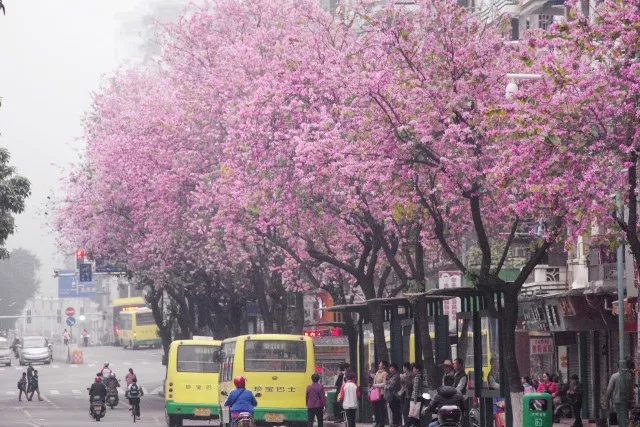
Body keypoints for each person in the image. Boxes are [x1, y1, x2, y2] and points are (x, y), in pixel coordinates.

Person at [372, 361, 389, 427]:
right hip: (375, 393)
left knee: (381, 409)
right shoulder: (377, 373)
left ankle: (381, 423)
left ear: (384, 366)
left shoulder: (385, 373)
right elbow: (374, 381)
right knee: (375, 409)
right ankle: (377, 422)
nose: (379, 365)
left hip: (381, 393)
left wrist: (376, 385)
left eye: (380, 364)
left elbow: (385, 383)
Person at [386, 363, 403, 427]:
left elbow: (391, 385)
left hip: (395, 395)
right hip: (391, 396)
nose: (391, 369)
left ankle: (396, 422)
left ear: (395, 369)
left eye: (392, 368)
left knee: (396, 409)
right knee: (392, 409)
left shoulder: (396, 376)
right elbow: (387, 384)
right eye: (390, 368)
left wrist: (387, 385)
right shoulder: (390, 376)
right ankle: (395, 422)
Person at [408, 363, 424, 427]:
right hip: (417, 398)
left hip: (416, 398)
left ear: (417, 369)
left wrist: (415, 399)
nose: (413, 370)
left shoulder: (417, 377)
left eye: (414, 369)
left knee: (414, 415)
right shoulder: (418, 376)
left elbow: (416, 388)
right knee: (415, 415)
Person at [400, 362, 413, 427]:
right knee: (405, 410)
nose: (403, 369)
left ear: (405, 367)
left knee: (407, 410)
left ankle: (408, 423)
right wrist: (402, 379)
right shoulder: (404, 375)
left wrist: (405, 379)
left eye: (403, 367)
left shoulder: (410, 375)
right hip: (405, 395)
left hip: (410, 395)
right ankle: (406, 423)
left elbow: (410, 385)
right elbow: (403, 385)